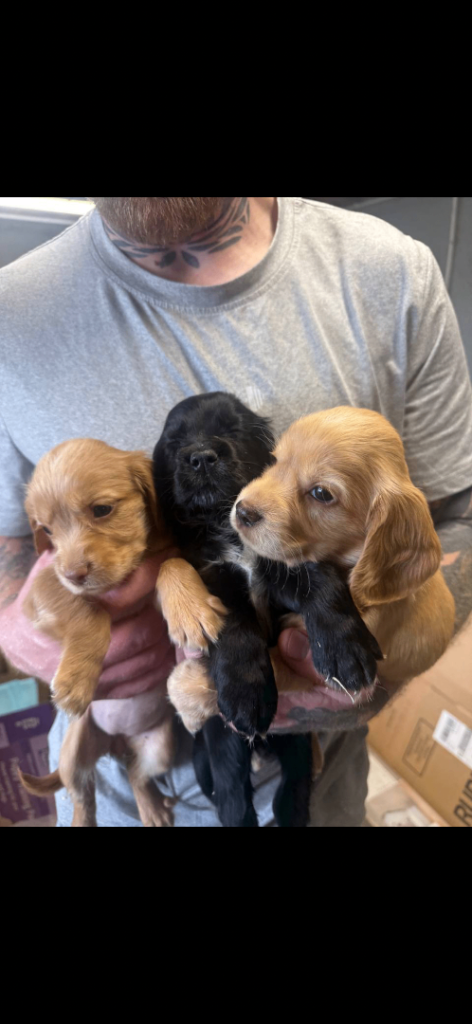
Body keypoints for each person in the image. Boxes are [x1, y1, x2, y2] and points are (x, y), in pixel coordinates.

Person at [1, 196, 471, 827]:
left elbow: (455, 517)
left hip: (324, 781)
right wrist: (22, 632)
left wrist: (374, 668)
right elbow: (12, 540)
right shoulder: (9, 311)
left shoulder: (392, 270)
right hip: (131, 781)